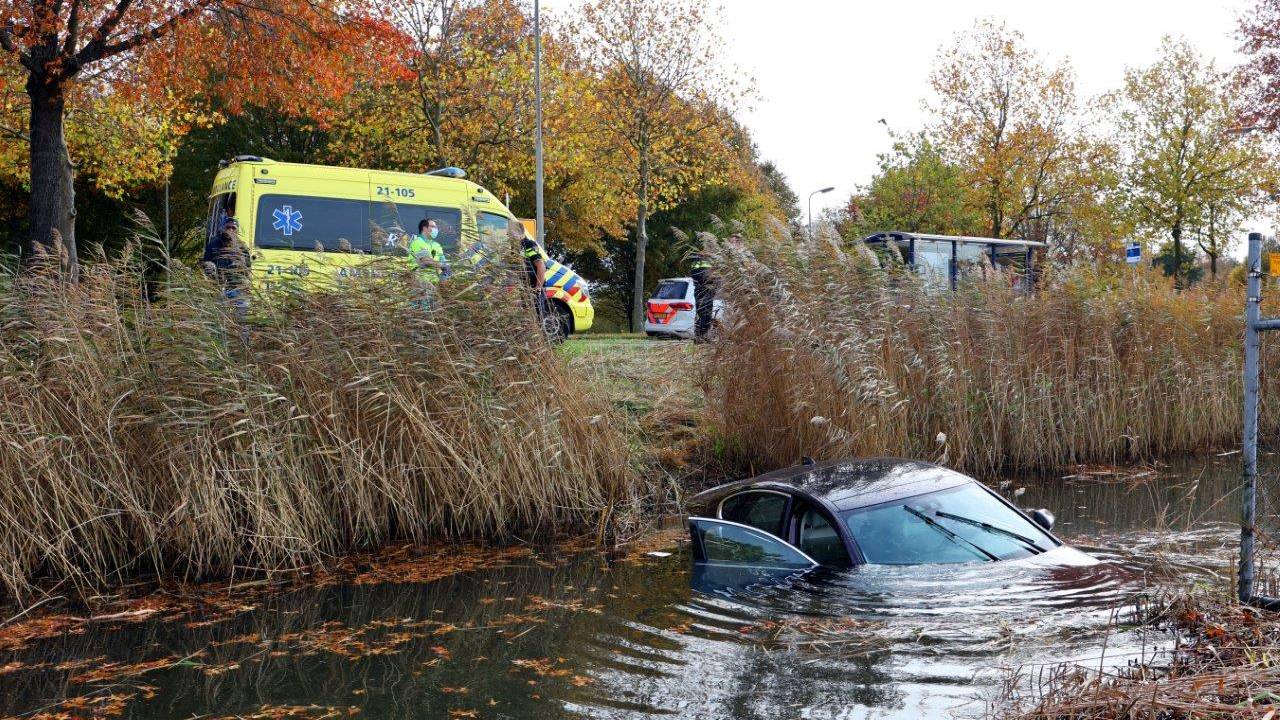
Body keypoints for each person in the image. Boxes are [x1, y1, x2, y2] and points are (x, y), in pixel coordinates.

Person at [202, 216, 252, 323]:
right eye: (228, 227)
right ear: (223, 228)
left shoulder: (242, 247)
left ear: (237, 230)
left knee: (242, 319)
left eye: (233, 228)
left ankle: (242, 336)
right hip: (218, 287)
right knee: (218, 320)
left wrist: (244, 279)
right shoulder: (213, 244)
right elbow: (205, 262)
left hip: (237, 288)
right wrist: (209, 267)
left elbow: (248, 269)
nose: (231, 230)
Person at [513, 219, 546, 320]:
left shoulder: (529, 245)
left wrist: (537, 288)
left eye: (510, 232)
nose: (507, 234)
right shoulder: (514, 248)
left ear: (518, 232)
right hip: (524, 289)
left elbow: (540, 265)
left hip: (533, 289)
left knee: (536, 318)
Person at [407, 218, 447, 284]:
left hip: (434, 284)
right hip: (418, 283)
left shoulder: (437, 245)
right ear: (425, 228)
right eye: (433, 226)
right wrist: (441, 265)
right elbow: (426, 261)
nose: (436, 229)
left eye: (436, 227)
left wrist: (444, 275)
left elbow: (444, 263)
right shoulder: (417, 242)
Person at [690, 246, 714, 340]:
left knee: (708, 314)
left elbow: (716, 276)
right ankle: (699, 336)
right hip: (701, 291)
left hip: (709, 291)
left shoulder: (711, 261)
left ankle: (705, 336)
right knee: (702, 313)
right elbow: (695, 274)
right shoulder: (697, 261)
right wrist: (709, 280)